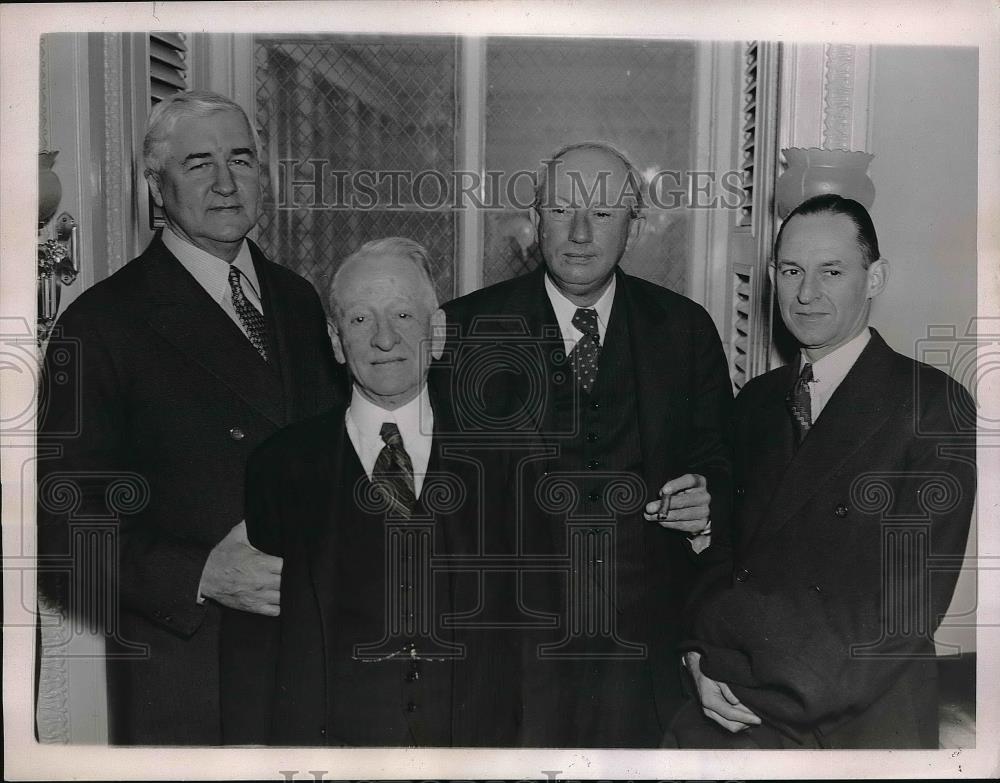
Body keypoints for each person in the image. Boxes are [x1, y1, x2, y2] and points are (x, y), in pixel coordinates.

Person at [36, 90, 343, 744]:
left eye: (242, 159)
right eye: (200, 163)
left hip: (306, 666)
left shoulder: (296, 298)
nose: (228, 183)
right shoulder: (101, 324)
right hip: (190, 681)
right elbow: (63, 535)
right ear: (157, 187)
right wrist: (199, 572)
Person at [442, 141, 734, 747]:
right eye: (561, 210)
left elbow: (720, 464)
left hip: (645, 647)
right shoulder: (462, 331)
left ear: (635, 226)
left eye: (602, 215)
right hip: (509, 654)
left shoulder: (685, 330)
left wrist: (706, 498)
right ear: (534, 218)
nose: (579, 233)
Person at [675, 194, 976, 749]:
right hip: (729, 704)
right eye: (791, 271)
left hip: (855, 726)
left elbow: (904, 608)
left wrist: (746, 684)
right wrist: (697, 656)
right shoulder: (756, 404)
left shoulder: (932, 406)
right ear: (772, 277)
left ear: (875, 277)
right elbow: (721, 554)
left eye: (830, 271)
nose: (806, 294)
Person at [219, 238, 520, 746]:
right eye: (360, 320)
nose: (384, 338)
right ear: (336, 342)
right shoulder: (281, 464)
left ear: (438, 333)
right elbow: (254, 653)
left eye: (403, 315)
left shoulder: (507, 459)